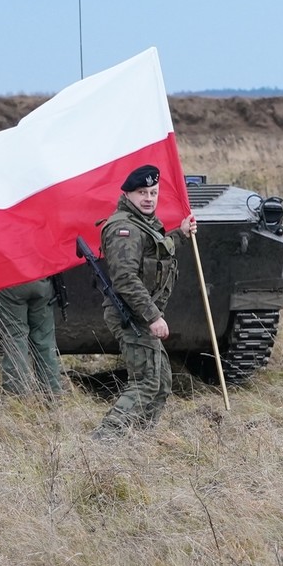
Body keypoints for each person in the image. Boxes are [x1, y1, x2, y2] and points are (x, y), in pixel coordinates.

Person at [92, 164, 196, 439]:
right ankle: (105, 440)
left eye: (153, 192)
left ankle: (139, 439)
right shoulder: (123, 228)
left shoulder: (144, 223)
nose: (149, 198)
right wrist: (153, 316)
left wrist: (181, 234)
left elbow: (156, 252)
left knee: (160, 383)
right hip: (132, 315)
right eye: (142, 192)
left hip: (141, 313)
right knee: (147, 382)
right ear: (128, 194)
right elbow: (125, 279)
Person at [0, 277, 63, 396]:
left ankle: (16, 396)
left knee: (15, 339)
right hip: (41, 281)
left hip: (11, 283)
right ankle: (53, 394)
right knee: (44, 340)